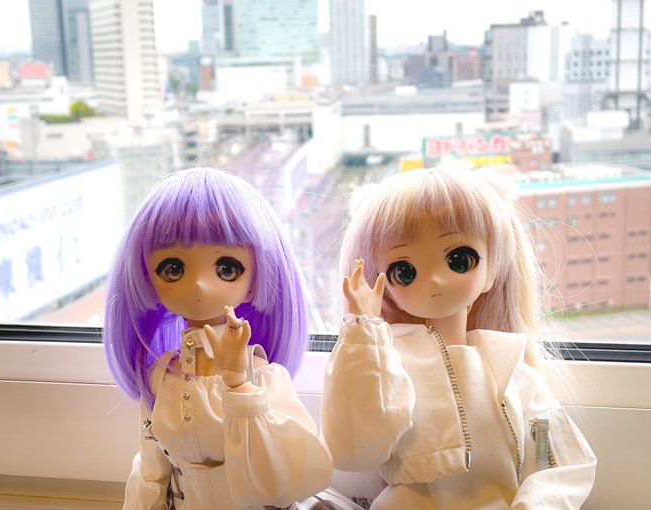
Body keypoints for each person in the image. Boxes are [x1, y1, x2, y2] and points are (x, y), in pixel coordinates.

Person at [321, 167, 597, 509]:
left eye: (459, 260)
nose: (435, 280)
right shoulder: (388, 367)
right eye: (404, 271)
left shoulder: (510, 370)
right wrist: (362, 331)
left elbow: (557, 462)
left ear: (492, 270)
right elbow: (353, 450)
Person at [104, 167, 344, 510]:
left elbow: (292, 476)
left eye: (227, 268)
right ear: (147, 278)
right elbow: (151, 467)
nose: (199, 285)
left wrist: (239, 388)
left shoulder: (260, 374)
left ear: (257, 277)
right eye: (173, 268)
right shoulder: (161, 376)